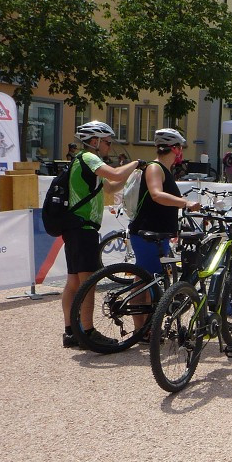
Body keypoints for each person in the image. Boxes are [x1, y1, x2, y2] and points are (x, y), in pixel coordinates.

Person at [60, 122, 144, 348]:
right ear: (95, 141)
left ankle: (70, 331)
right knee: (88, 282)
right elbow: (115, 172)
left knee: (73, 281)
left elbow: (109, 187)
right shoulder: (88, 158)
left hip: (75, 227)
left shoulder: (82, 162)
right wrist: (136, 163)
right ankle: (87, 332)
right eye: (107, 142)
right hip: (83, 228)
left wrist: (131, 176)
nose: (109, 146)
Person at [126, 129, 202, 330]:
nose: (181, 153)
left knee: (148, 280)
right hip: (146, 233)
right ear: (175, 149)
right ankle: (141, 330)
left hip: (157, 234)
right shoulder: (154, 168)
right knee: (144, 282)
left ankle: (146, 328)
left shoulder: (164, 170)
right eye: (181, 148)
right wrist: (185, 203)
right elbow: (157, 194)